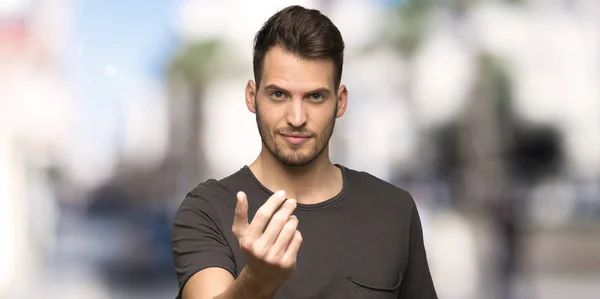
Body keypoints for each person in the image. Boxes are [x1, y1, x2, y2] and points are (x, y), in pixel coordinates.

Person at [171, 5, 437, 299]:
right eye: (278, 94)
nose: (296, 118)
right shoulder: (206, 210)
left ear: (341, 101)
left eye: (314, 96)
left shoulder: (394, 210)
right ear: (252, 96)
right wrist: (257, 281)